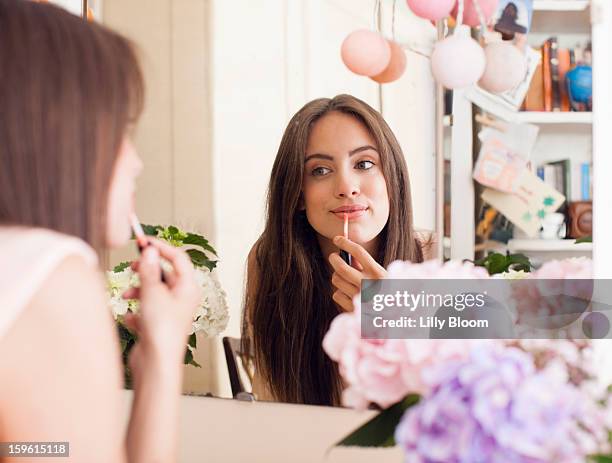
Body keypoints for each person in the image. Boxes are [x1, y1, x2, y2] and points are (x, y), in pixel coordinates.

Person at [0, 1, 201, 461]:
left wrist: (159, 358)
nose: (136, 161)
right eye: (121, 130)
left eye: (365, 163)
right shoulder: (47, 274)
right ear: (57, 133)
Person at [242, 94, 433, 406]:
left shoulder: (433, 255)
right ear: (297, 194)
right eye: (319, 170)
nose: (346, 186)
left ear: (393, 179)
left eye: (365, 164)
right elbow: (275, 399)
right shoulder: (270, 262)